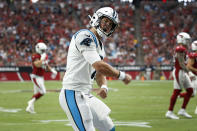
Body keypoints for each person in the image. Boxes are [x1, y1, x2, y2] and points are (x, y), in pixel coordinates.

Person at [59, 7, 132, 131]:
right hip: (73, 92)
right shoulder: (84, 35)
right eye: (105, 21)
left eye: (110, 25)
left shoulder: (100, 45)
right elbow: (99, 66)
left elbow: (98, 73)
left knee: (109, 127)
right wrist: (122, 76)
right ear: (96, 18)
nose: (107, 26)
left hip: (85, 94)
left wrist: (104, 86)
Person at [165, 32, 193, 119]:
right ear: (182, 39)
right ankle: (170, 112)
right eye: (187, 40)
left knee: (190, 90)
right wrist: (189, 70)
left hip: (183, 72)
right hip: (179, 71)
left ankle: (182, 110)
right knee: (177, 91)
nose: (188, 42)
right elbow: (181, 63)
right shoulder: (180, 48)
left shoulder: (183, 48)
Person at [26, 42, 57, 114]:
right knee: (43, 91)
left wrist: (52, 70)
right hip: (35, 76)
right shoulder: (35, 56)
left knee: (36, 93)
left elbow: (46, 66)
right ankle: (30, 102)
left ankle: (30, 108)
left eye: (44, 50)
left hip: (40, 76)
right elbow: (37, 65)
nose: (44, 51)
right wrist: (42, 59)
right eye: (42, 50)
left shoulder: (44, 56)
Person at [179, 40, 197, 114]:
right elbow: (188, 66)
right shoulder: (193, 55)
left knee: (192, 94)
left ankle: (178, 95)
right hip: (194, 76)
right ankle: (178, 95)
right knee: (192, 94)